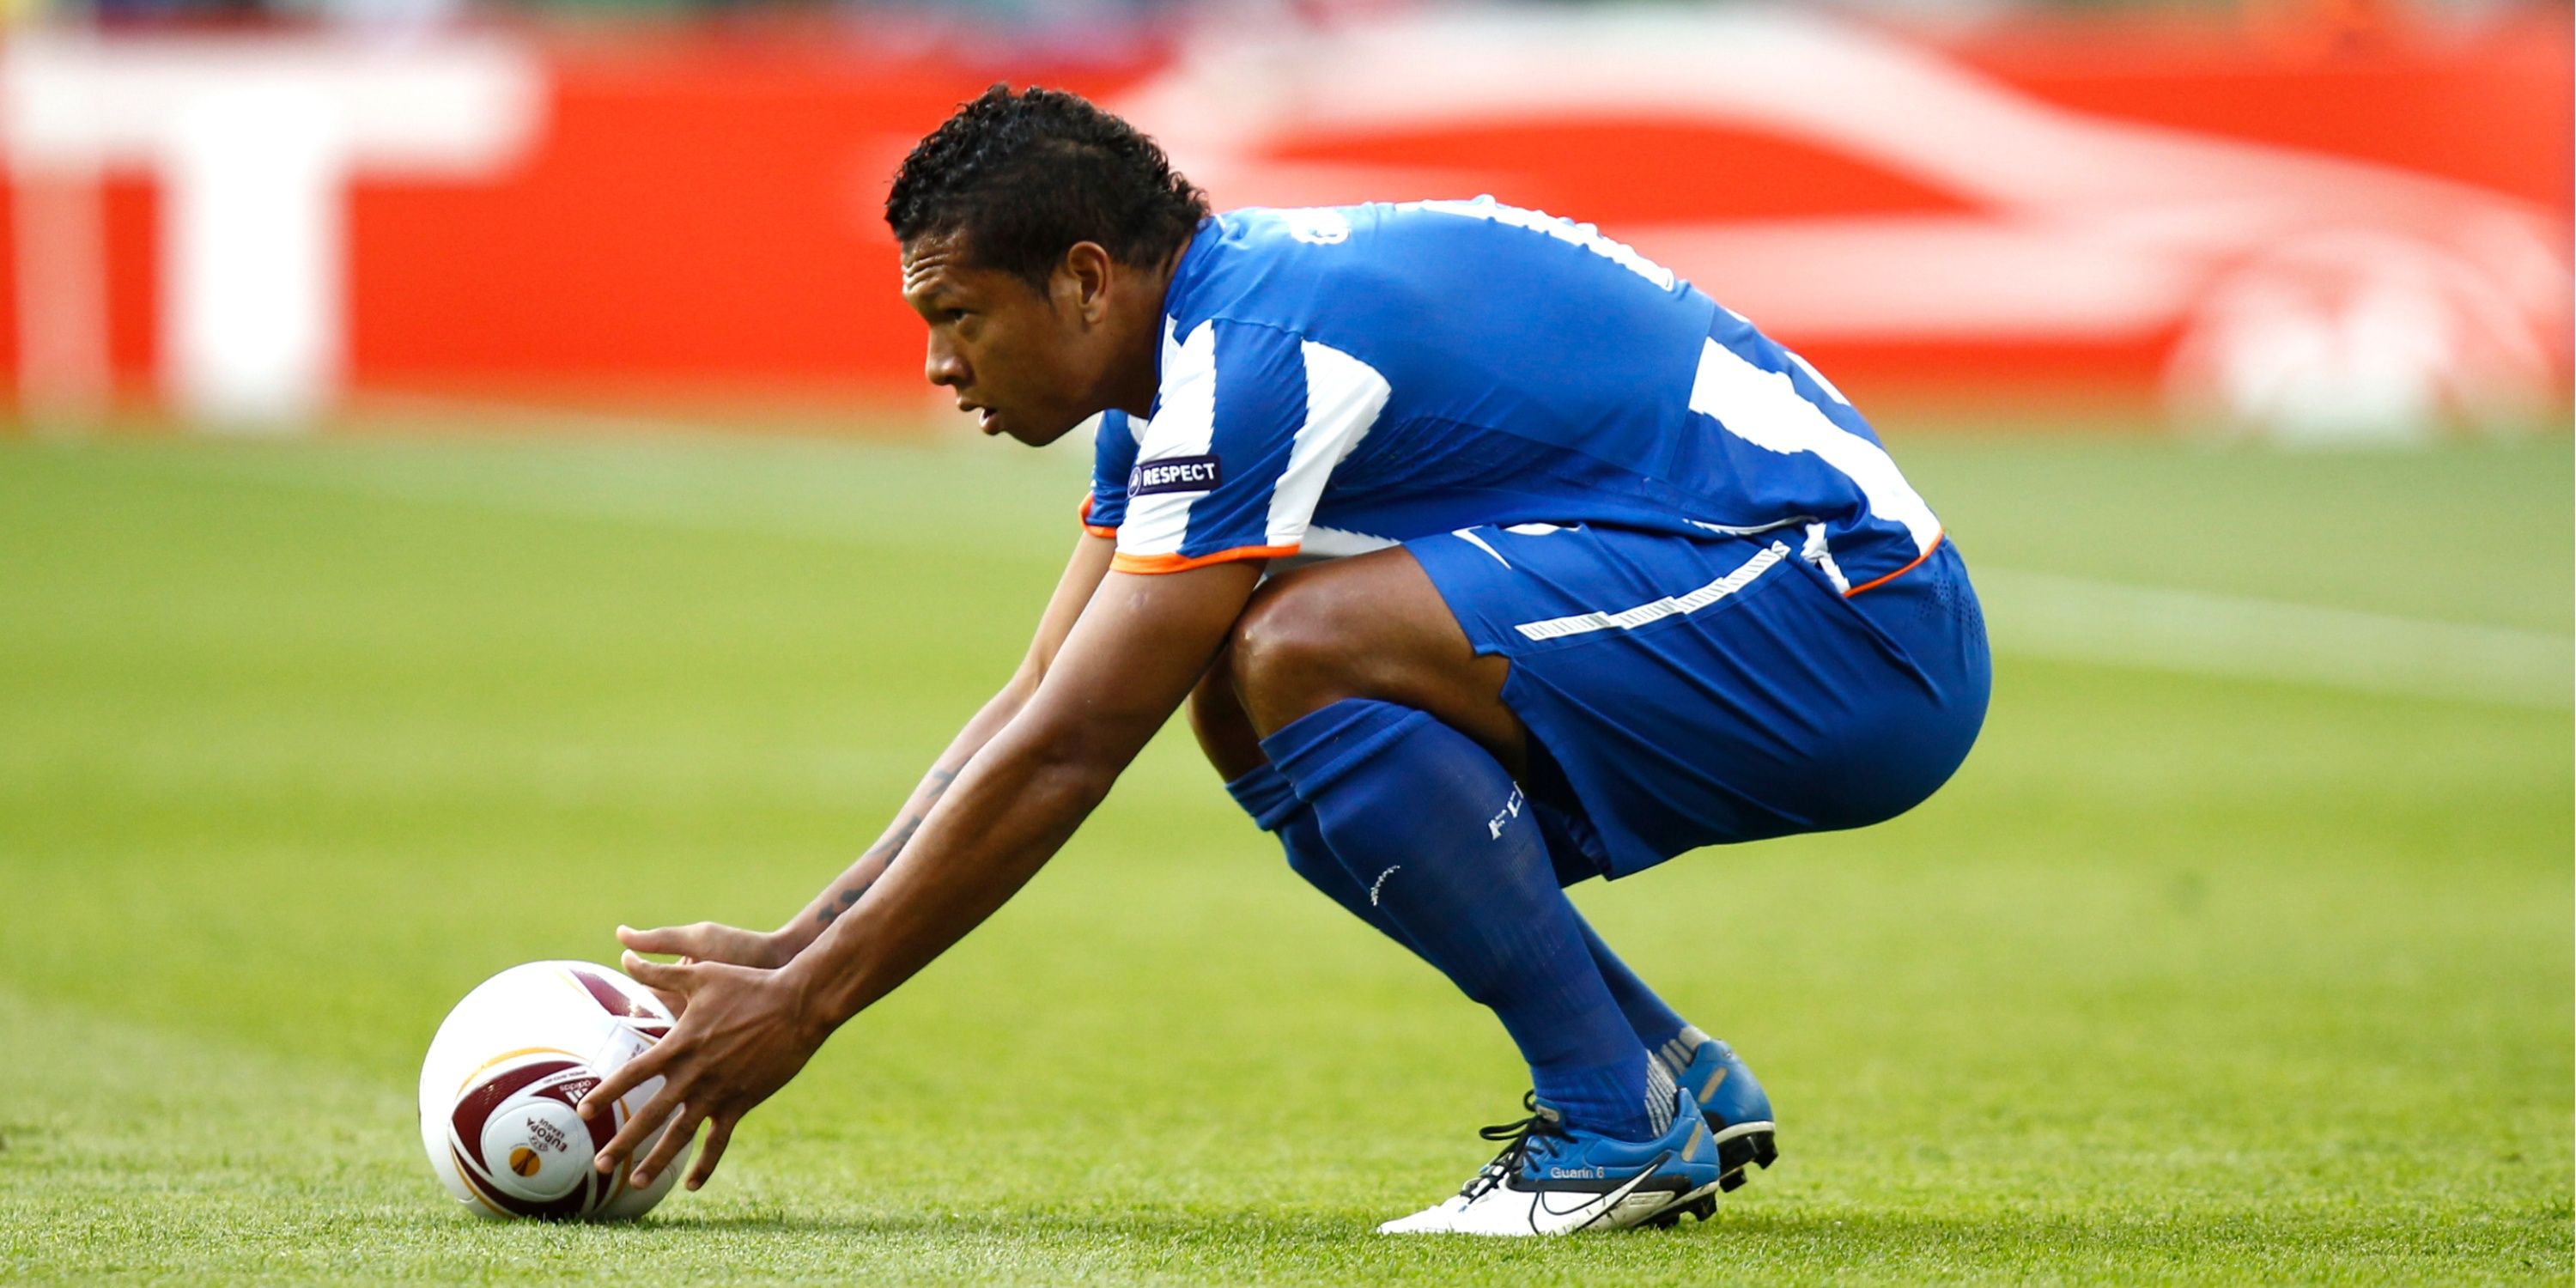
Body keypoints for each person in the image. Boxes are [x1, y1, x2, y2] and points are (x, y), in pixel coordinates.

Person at [575, 84, 1990, 1236]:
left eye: (958, 316)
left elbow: (1073, 755)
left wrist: (810, 1011)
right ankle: (1659, 1073)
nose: (942, 368)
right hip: (1768, 602)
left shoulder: (1250, 356)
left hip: (1848, 616)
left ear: (1082, 279)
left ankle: (1608, 1130)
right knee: (1234, 692)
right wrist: (796, 944)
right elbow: (1043, 701)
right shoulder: (1176, 370)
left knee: (1295, 646)